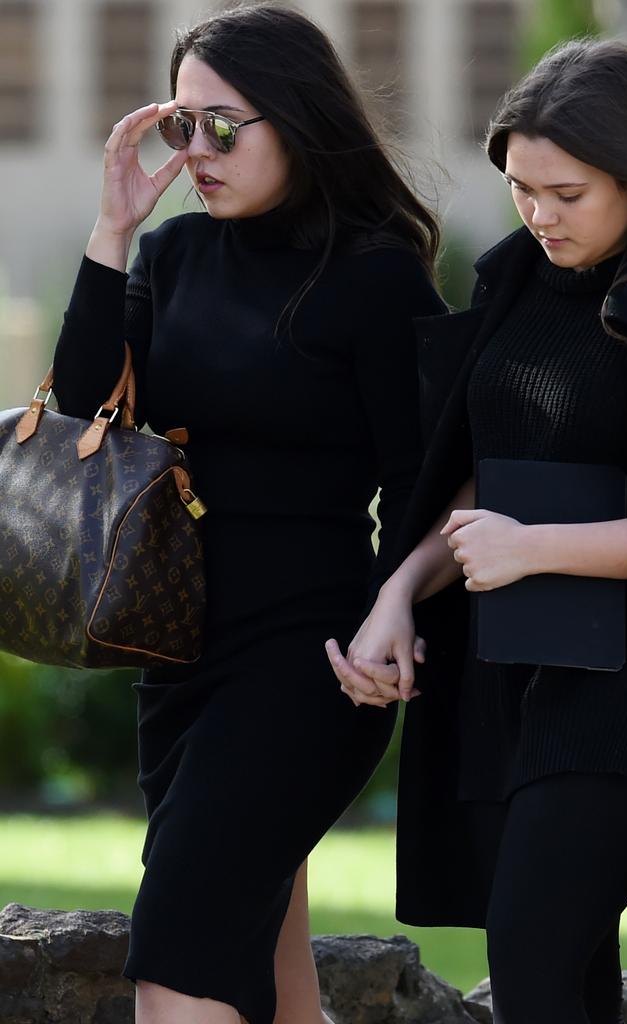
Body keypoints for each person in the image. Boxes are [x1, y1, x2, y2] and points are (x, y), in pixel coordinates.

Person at [327, 38, 627, 1024]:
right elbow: (477, 477)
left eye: (566, 193)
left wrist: (537, 547)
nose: (538, 213)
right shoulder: (514, 282)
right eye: (522, 187)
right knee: (566, 978)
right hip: (511, 680)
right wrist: (397, 594)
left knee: (531, 957)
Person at [51, 4, 444, 1022]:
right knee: (271, 972)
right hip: (175, 651)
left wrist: (393, 606)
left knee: (176, 957)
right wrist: (114, 228)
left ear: (299, 120)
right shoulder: (174, 255)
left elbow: (426, 477)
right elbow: (87, 406)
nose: (197, 151)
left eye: (222, 125)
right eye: (181, 126)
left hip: (310, 661)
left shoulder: (374, 277)